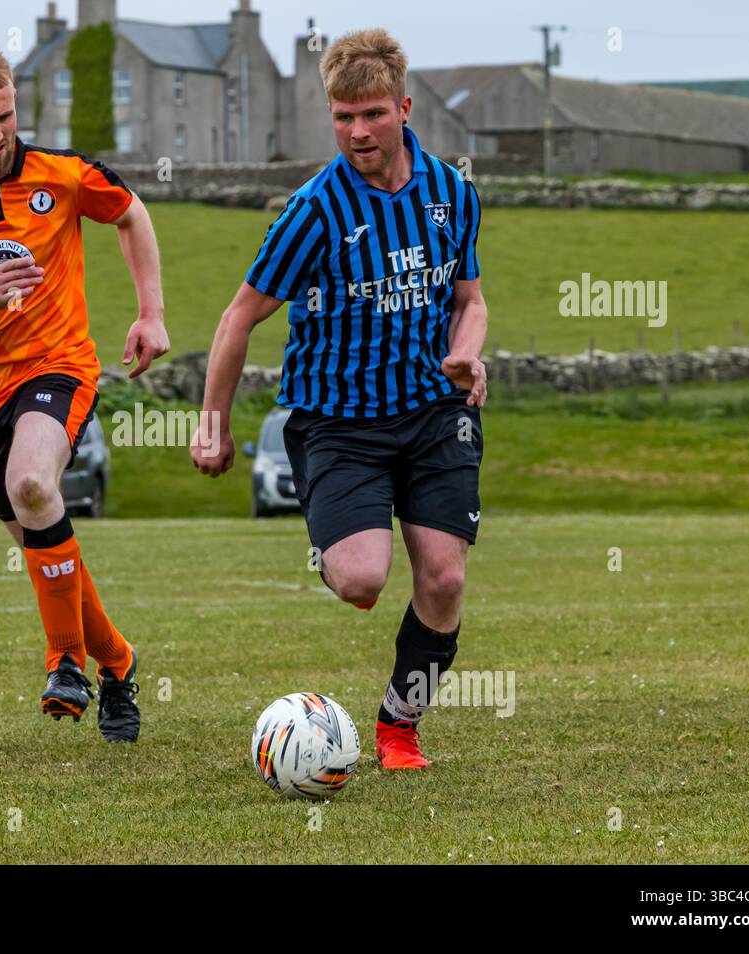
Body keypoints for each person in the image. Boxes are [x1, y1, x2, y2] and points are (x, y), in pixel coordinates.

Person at [191, 29, 488, 769]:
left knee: (445, 577)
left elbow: (471, 299)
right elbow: (238, 317)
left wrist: (465, 351)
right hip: (338, 422)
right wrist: (212, 426)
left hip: (433, 413)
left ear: (404, 108)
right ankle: (332, 535)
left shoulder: (453, 194)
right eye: (343, 116)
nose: (358, 131)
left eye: (374, 115)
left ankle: (398, 724)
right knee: (360, 582)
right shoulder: (314, 211)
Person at [0, 44, 170, 742]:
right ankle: (120, 662)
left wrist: (151, 313)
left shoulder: (65, 174)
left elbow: (133, 216)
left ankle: (65, 663)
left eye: (7, 116)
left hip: (57, 366)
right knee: (44, 536)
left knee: (31, 483)